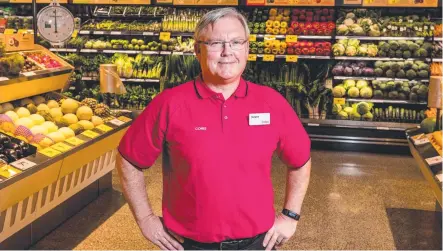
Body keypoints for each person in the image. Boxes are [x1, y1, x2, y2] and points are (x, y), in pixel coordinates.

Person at [116, 7, 311, 251]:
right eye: (216, 42)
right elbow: (129, 160)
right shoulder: (170, 103)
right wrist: (145, 219)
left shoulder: (271, 102)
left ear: (247, 48)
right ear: (197, 50)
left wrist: (290, 216)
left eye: (236, 42)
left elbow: (300, 160)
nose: (227, 51)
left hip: (258, 243)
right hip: (189, 245)